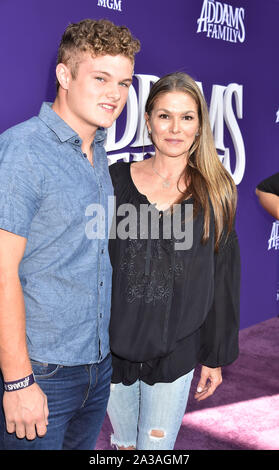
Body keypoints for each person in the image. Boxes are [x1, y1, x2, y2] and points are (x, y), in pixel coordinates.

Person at [0, 19, 140, 450]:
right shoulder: (23, 150)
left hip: (95, 367)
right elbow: (2, 273)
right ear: (64, 75)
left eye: (124, 82)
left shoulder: (98, 150)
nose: (115, 94)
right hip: (41, 371)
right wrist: (18, 381)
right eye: (101, 78)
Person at [107, 72, 241, 450]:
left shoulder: (216, 191)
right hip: (115, 345)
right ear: (147, 120)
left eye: (186, 117)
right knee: (123, 445)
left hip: (176, 350)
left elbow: (222, 278)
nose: (175, 128)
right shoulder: (113, 180)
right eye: (164, 115)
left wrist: (214, 357)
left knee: (154, 451)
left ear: (200, 126)